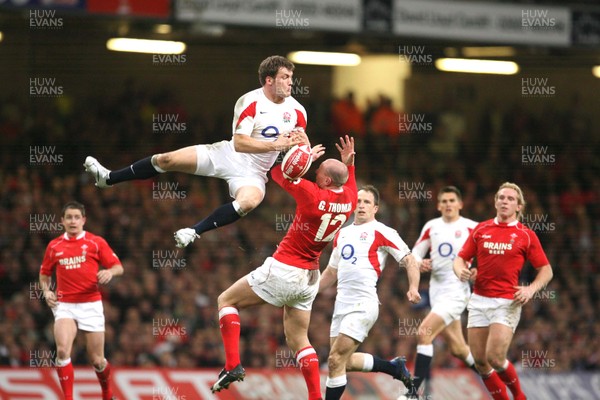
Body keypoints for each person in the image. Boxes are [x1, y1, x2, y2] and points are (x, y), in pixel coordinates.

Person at [83, 55, 309, 248]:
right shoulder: (250, 101)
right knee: (167, 159)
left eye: (291, 77)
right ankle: (108, 178)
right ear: (269, 80)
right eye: (285, 77)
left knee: (248, 202)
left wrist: (307, 152)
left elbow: (300, 140)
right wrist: (275, 145)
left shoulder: (298, 111)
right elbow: (240, 143)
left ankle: (193, 231)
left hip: (254, 173)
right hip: (228, 155)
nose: (291, 82)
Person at [211, 136, 357, 400]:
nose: (314, 172)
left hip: (285, 268)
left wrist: (304, 157)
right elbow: (350, 183)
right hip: (310, 277)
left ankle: (232, 364)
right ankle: (315, 397)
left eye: (318, 172)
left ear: (325, 181)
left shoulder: (312, 194)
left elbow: (278, 174)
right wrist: (350, 164)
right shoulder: (350, 201)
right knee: (300, 339)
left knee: (226, 300)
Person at [318, 185, 421, 400]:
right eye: (358, 201)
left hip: (363, 303)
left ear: (375, 208)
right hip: (341, 305)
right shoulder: (342, 234)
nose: (361, 205)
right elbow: (330, 272)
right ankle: (394, 368)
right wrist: (309, 293)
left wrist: (413, 287)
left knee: (335, 360)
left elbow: (409, 260)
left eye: (367, 202)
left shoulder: (382, 231)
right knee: (342, 361)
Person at [453, 182, 553, 400]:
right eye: (501, 197)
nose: (504, 201)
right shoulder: (481, 229)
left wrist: (531, 290)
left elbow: (546, 270)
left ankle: (519, 396)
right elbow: (460, 258)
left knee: (496, 358)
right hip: (479, 300)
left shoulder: (525, 235)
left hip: (506, 301)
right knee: (480, 362)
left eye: (510, 199)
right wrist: (461, 271)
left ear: (518, 206)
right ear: (495, 202)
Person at [39, 201, 124, 400]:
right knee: (62, 350)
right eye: (69, 217)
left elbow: (118, 267)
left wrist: (110, 273)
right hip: (65, 305)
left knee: (97, 360)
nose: (73, 221)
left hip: (91, 304)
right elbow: (44, 274)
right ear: (62, 221)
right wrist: (46, 291)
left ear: (84, 220)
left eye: (77, 217)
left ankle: (107, 393)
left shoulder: (96, 242)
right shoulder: (54, 246)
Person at [407, 186, 478, 398]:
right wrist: (420, 263)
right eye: (444, 201)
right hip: (436, 292)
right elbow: (415, 254)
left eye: (452, 200)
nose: (448, 204)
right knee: (458, 349)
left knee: (424, 333)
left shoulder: (472, 228)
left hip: (457, 292)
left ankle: (412, 392)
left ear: (460, 204)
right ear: (438, 205)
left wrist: (477, 271)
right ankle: (494, 377)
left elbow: (489, 254)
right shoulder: (432, 226)